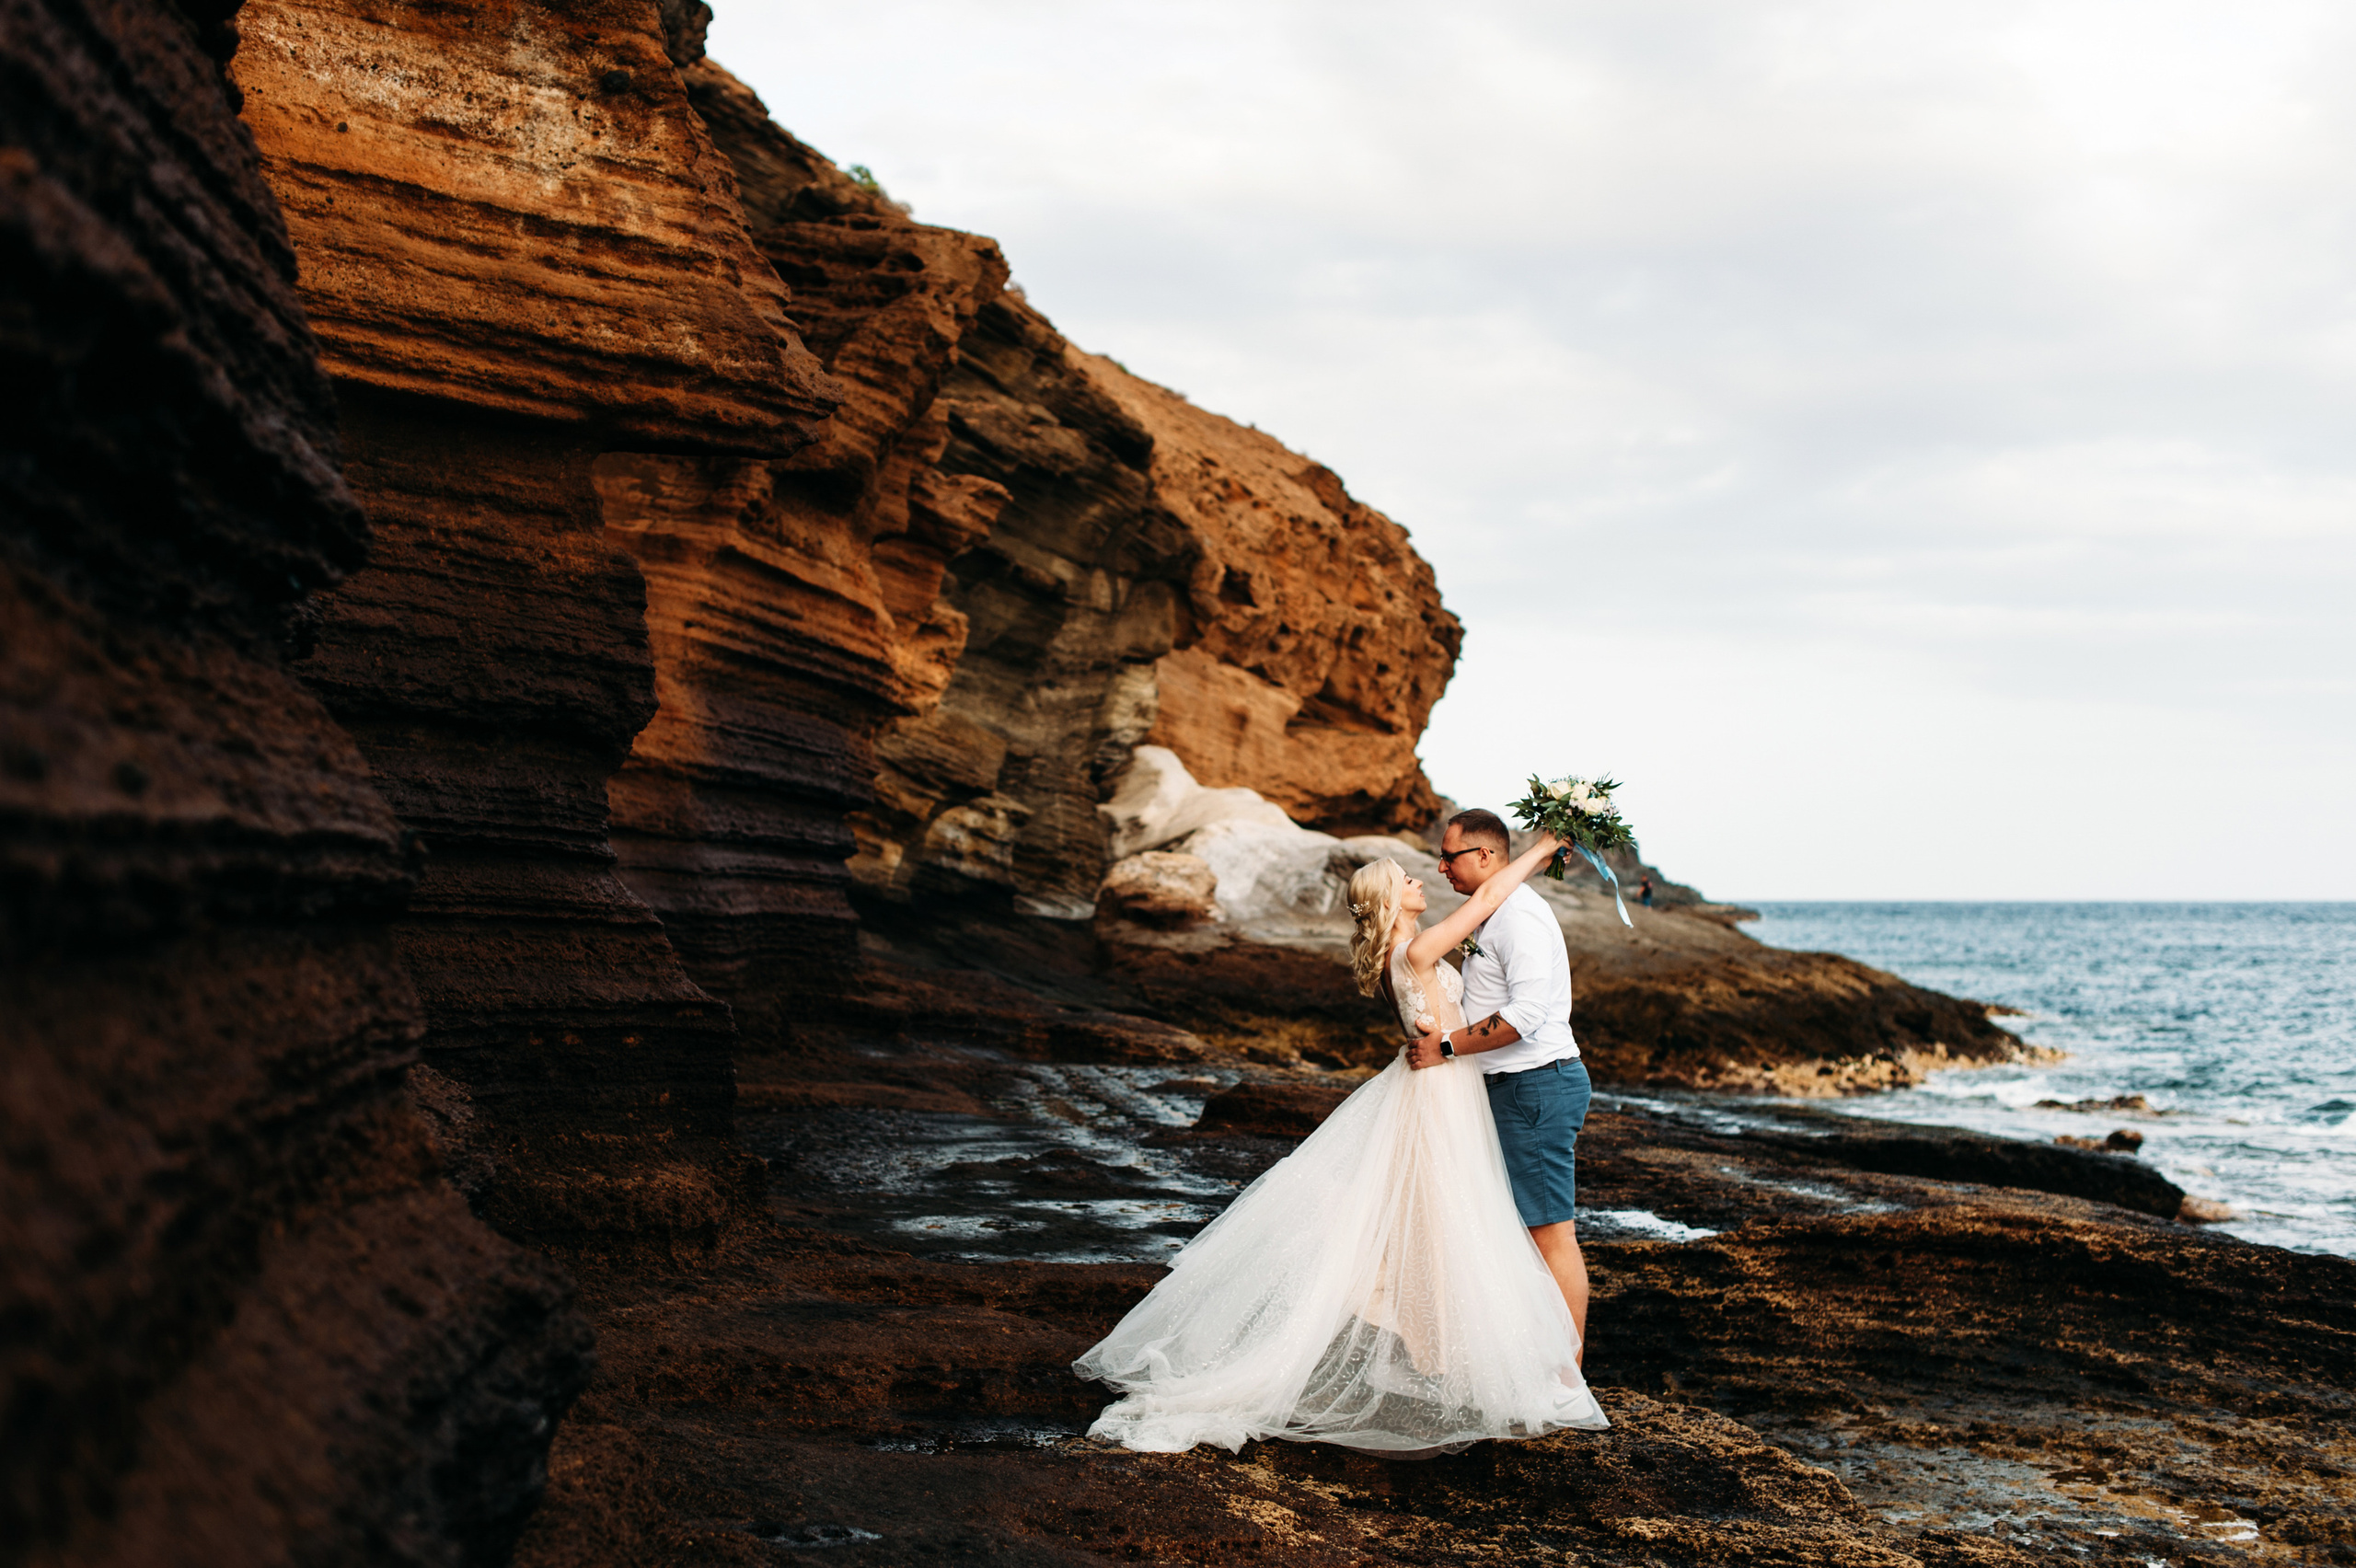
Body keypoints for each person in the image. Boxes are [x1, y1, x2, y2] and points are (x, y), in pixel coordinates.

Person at [1074, 824, 1608, 1455]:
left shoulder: (1400, 957)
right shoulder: (1412, 955)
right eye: (1408, 879)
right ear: (1390, 902)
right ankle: (1501, 1366)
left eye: (1435, 864)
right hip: (1443, 1096)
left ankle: (1457, 1354)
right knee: (1453, 1221)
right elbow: (1484, 905)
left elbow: (1488, 924)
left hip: (1449, 1090)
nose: (1423, 877)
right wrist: (1542, 851)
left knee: (1442, 1222)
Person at [1407, 809, 1594, 1360]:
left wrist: (1445, 1047)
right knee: (1516, 1232)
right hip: (1509, 1088)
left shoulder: (1519, 917)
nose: (1441, 867)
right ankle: (1530, 1361)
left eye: (1449, 856)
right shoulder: (1489, 913)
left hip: (1534, 1086)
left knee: (1549, 1233)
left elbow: (1528, 1014)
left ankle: (1566, 1378)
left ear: (1485, 856)